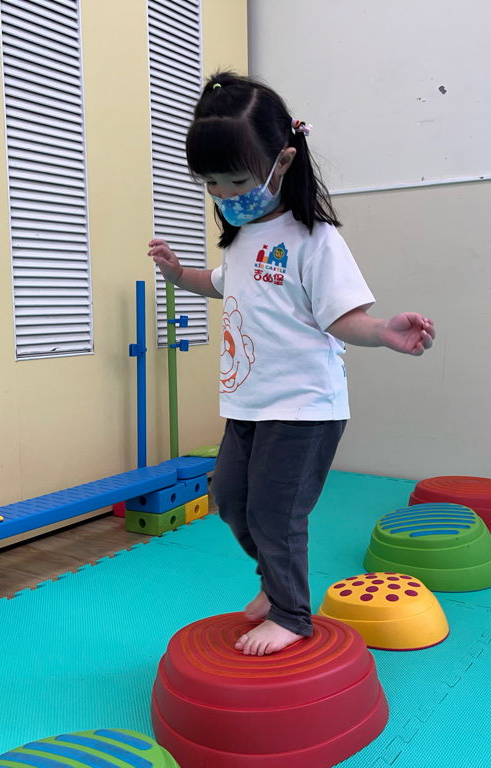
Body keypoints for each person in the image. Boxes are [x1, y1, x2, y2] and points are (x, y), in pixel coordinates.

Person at [148, 71, 435, 656]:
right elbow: (223, 284)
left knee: (275, 512)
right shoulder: (242, 236)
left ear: (283, 159)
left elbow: (342, 317)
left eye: (237, 180)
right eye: (212, 184)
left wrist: (383, 331)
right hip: (249, 403)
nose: (226, 195)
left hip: (304, 407)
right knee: (232, 500)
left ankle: (291, 614)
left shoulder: (314, 240)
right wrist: (178, 275)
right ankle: (273, 583)